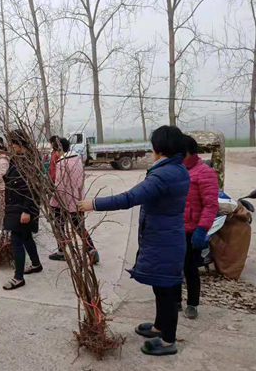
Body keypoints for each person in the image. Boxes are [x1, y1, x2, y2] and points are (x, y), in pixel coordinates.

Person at [79, 125, 189, 356]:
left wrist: (94, 204)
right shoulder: (174, 168)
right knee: (161, 286)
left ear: (159, 147)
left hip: (164, 238)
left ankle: (168, 341)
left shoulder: (165, 174)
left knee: (167, 290)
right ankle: (160, 327)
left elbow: (131, 197)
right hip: (165, 236)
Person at [176, 135, 219, 319]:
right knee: (174, 267)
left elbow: (211, 205)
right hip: (175, 229)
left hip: (192, 231)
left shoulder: (205, 172)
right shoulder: (176, 170)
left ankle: (192, 303)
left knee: (190, 268)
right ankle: (175, 300)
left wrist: (202, 229)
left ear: (187, 151)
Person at [48, 138, 99, 264]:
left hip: (64, 201)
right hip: (78, 200)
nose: (54, 153)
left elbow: (60, 186)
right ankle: (92, 251)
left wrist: (52, 200)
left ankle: (62, 252)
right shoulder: (77, 159)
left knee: (59, 225)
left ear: (58, 149)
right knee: (79, 227)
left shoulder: (62, 163)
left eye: (54, 150)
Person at [2, 130, 42, 290]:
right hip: (15, 205)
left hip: (22, 207)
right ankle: (36, 264)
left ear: (20, 143)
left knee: (16, 240)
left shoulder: (29, 162)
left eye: (12, 143)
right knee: (26, 237)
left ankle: (18, 277)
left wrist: (27, 210)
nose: (11, 147)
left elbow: (33, 188)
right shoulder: (18, 159)